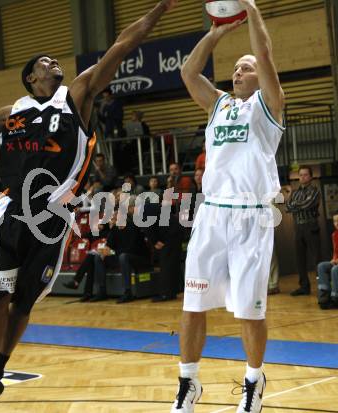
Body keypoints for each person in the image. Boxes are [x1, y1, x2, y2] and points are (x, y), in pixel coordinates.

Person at [0, 2, 177, 412]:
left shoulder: (77, 94)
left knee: (22, 304)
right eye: (45, 61)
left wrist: (159, 9)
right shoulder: (13, 111)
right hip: (12, 212)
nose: (53, 62)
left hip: (53, 218)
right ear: (32, 77)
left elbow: (121, 46)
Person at [171, 1, 285, 412]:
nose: (239, 72)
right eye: (236, 67)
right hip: (212, 215)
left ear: (262, 77)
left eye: (246, 67)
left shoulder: (270, 105)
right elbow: (188, 72)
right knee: (193, 304)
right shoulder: (218, 104)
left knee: (249, 311)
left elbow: (266, 55)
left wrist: (252, 10)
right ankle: (188, 384)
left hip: (252, 217)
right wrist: (218, 30)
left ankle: (254, 382)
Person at [285, 166, 321, 296]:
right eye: (300, 175)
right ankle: (304, 287)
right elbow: (287, 207)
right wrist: (294, 204)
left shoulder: (315, 190)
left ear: (310, 177)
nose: (303, 177)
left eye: (305, 175)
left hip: (311, 227)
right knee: (300, 259)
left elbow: (308, 204)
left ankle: (322, 287)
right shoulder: (295, 192)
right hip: (298, 227)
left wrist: (294, 204)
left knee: (316, 258)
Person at [316, 212, 338, 309]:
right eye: (335, 221)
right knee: (322, 266)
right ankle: (325, 296)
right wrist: (333, 259)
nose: (336, 223)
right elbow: (336, 252)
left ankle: (335, 298)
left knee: (335, 269)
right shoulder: (334, 235)